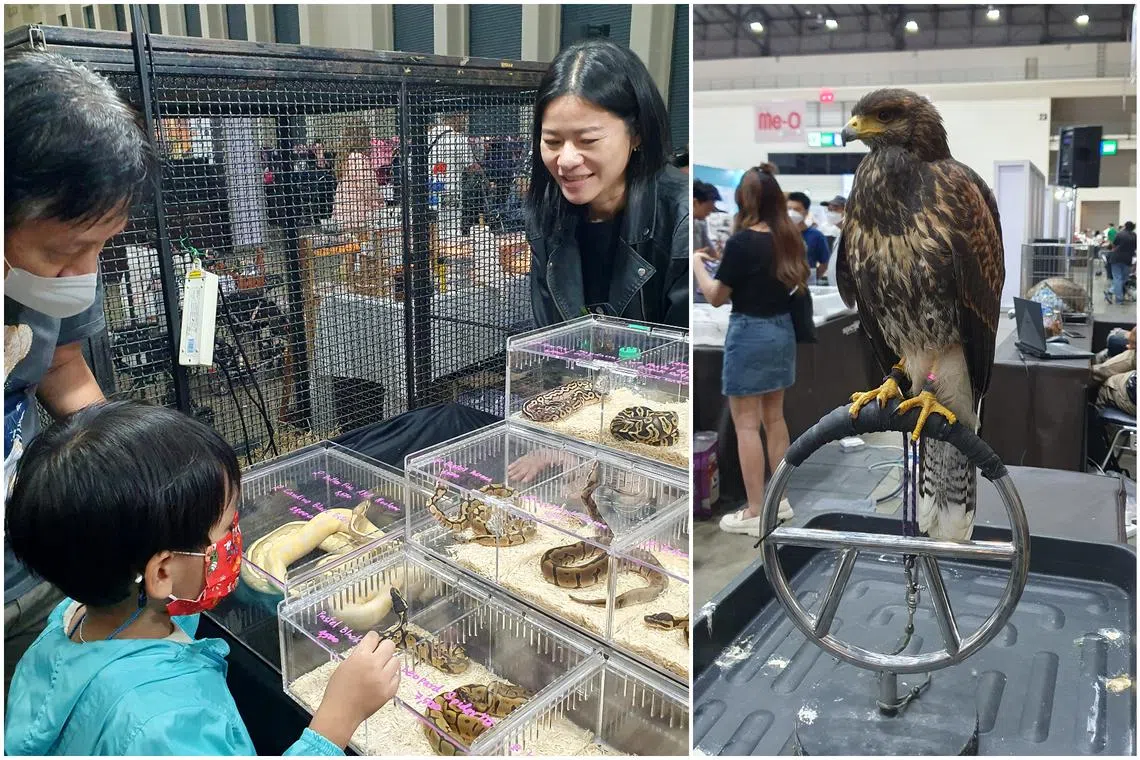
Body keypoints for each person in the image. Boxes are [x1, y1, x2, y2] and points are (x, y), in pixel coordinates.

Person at [4, 400, 401, 754]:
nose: (236, 538)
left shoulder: (67, 624)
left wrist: (273, 590)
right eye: (226, 528)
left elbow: (180, 603)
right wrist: (336, 723)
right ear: (162, 571)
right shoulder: (169, 726)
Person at [4, 50, 151, 694]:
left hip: (28, 554)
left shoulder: (66, 266)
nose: (83, 271)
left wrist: (129, 464)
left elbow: (64, 368)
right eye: (66, 250)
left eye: (102, 244)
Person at [526, 39, 688, 328]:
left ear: (636, 133)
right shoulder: (547, 213)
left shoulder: (684, 224)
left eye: (587, 140)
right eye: (552, 141)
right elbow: (548, 342)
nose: (566, 159)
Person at [692, 164, 809, 534]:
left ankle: (757, 509)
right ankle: (782, 499)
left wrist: (697, 264)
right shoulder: (790, 238)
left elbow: (714, 297)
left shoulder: (742, 243)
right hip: (781, 334)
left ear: (743, 200)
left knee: (745, 425)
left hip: (749, 334)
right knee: (775, 418)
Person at [786, 191, 831, 286]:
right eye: (789, 208)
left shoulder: (816, 236)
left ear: (806, 212)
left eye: (796, 209)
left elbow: (824, 263)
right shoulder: (780, 235)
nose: (791, 212)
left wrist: (812, 278)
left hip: (808, 286)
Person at [1106, 221, 1136, 305]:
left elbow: (1114, 244)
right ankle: (1114, 295)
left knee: (1118, 278)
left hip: (1116, 258)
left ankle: (1115, 296)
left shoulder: (1120, 234)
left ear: (1125, 226)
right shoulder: (1134, 235)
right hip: (1127, 260)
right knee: (1124, 278)